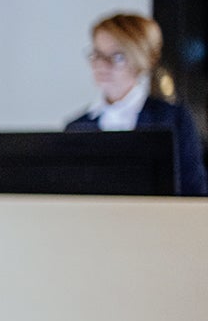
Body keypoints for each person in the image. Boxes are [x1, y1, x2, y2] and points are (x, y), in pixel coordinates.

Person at [64, 12, 207, 196]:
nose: (102, 65)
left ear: (139, 60)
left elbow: (193, 190)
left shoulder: (172, 119)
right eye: (97, 54)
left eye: (116, 57)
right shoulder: (77, 127)